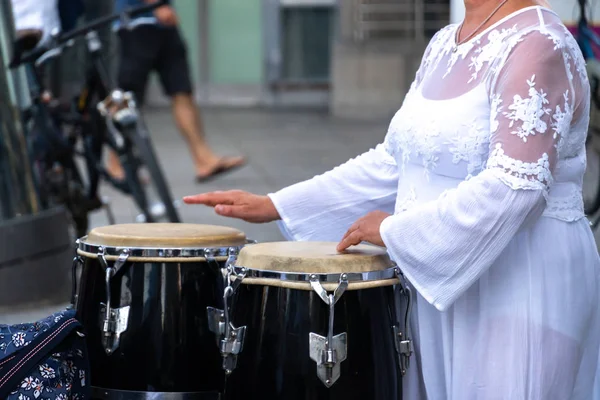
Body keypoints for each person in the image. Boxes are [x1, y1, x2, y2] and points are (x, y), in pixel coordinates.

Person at [183, 0, 600, 398]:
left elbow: (516, 187)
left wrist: (394, 230)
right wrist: (277, 204)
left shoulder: (539, 44)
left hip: (517, 282)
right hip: (434, 271)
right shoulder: (444, 43)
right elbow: (395, 162)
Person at [110, 0, 245, 182]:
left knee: (182, 91)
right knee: (125, 97)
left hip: (164, 24)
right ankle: (116, 164)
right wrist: (157, 5)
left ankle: (204, 159)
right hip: (137, 23)